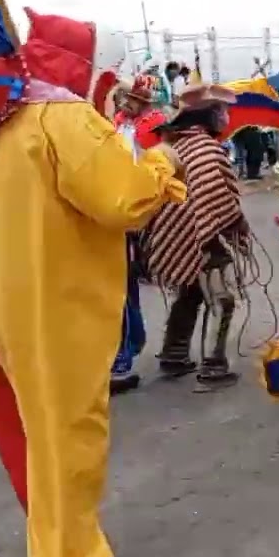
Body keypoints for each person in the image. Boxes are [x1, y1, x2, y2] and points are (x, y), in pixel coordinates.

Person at [0, 7, 186, 557]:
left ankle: (53, 536)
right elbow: (121, 199)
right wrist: (163, 161)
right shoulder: (61, 115)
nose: (117, 84)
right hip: (51, 304)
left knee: (36, 429)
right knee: (68, 433)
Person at [143, 84, 250, 393]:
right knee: (221, 299)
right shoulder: (206, 148)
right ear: (209, 115)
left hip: (181, 231)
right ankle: (213, 367)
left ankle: (174, 355)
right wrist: (235, 223)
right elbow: (215, 199)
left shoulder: (178, 144)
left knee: (189, 292)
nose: (226, 117)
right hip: (206, 236)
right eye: (223, 112)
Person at [109, 75, 168, 394]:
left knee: (125, 286)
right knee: (119, 289)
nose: (125, 103)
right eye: (124, 97)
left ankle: (125, 352)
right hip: (117, 212)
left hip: (137, 213)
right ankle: (121, 355)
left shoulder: (153, 126)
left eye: (132, 98)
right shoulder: (116, 125)